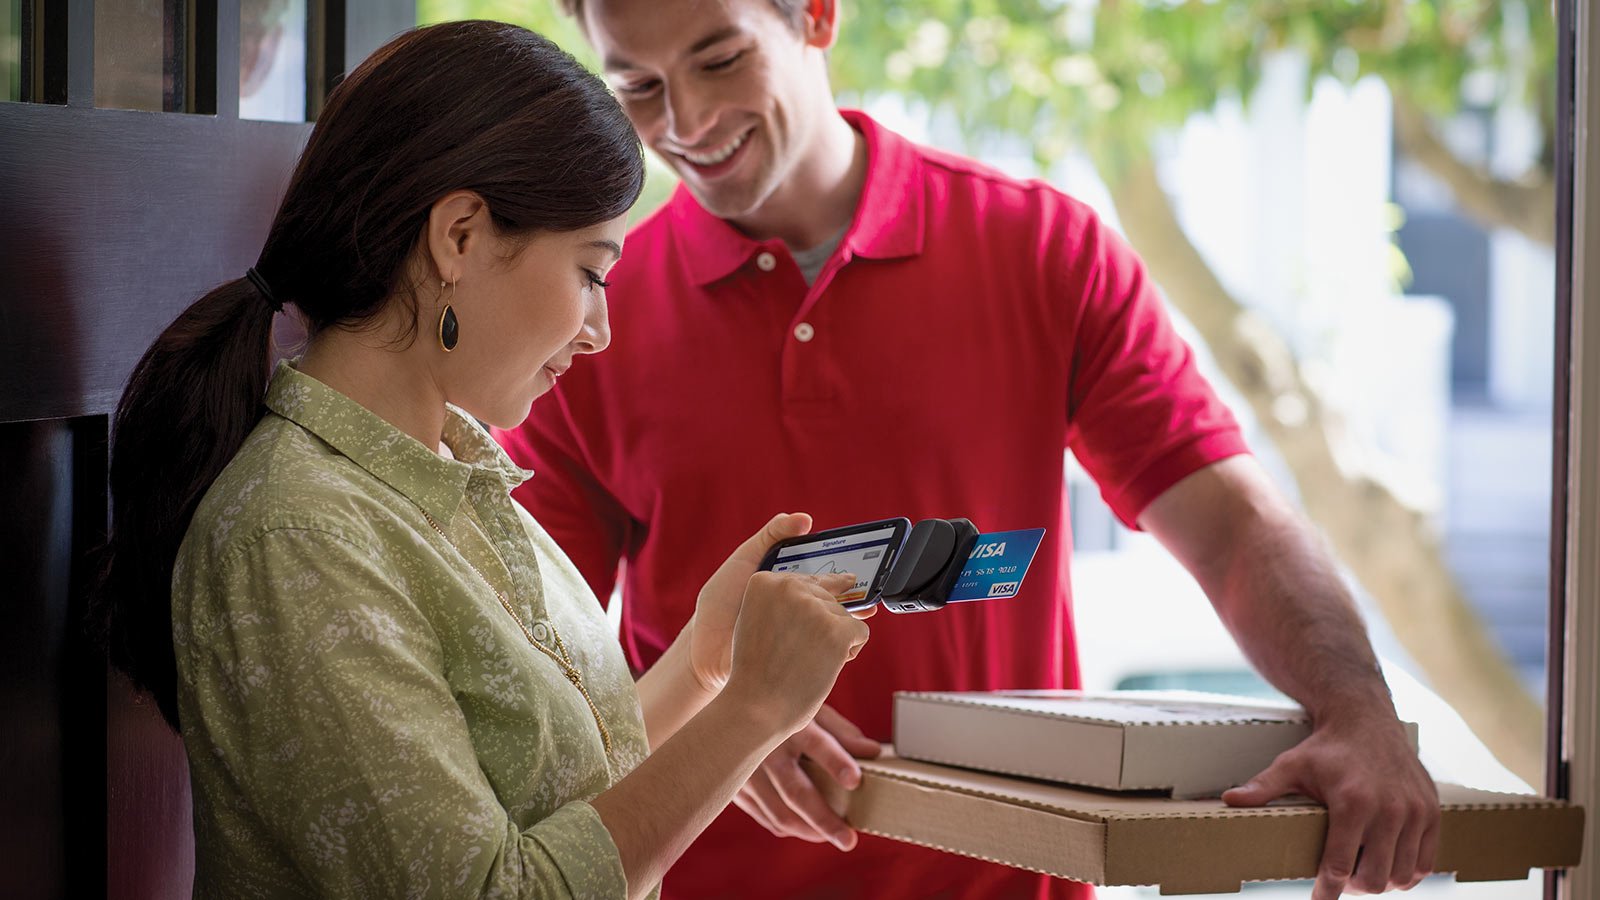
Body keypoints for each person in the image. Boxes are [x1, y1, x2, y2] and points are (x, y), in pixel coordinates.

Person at [495, 2, 1441, 899]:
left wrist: (1357, 711)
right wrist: (716, 719)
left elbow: (1233, 528)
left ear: (817, 17)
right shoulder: (587, 317)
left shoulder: (1044, 247)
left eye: (720, 59)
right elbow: (534, 652)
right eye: (641, 87)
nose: (689, 120)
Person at [92, 20, 873, 900]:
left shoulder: (452, 479)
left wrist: (704, 662)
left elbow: (565, 802)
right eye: (590, 271)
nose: (600, 331)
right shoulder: (297, 533)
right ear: (458, 236)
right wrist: (755, 713)